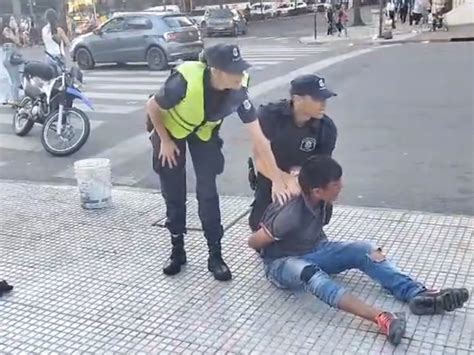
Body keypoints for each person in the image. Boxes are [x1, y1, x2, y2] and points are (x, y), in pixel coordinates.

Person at [248, 156, 470, 346]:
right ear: (317, 190)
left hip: (314, 248)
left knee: (366, 249)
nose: (342, 185)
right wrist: (273, 249)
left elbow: (300, 173)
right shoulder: (289, 215)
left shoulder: (320, 197)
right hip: (282, 263)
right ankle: (382, 318)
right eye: (336, 183)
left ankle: (416, 293)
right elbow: (254, 242)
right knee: (310, 273)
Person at [146, 44, 291, 282]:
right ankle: (177, 250)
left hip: (203, 134)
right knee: (173, 192)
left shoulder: (238, 91)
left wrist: (277, 179)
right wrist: (164, 140)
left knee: (208, 193)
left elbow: (260, 138)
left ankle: (215, 255)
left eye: (240, 69)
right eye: (233, 70)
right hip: (171, 132)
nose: (239, 75)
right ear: (215, 70)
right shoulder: (184, 80)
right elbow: (152, 105)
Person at [248, 74, 337, 232]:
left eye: (325, 99)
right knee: (260, 224)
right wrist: (283, 179)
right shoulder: (270, 116)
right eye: (317, 99)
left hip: (305, 181)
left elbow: (322, 168)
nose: (323, 104)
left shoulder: (326, 128)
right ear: (297, 99)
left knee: (313, 221)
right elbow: (259, 158)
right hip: (270, 177)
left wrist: (299, 181)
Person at [1, 17, 23, 105]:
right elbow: (16, 41)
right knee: (16, 81)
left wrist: (16, 31)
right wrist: (16, 30)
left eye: (14, 20)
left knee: (13, 80)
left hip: (8, 59)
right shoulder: (7, 30)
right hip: (11, 60)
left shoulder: (10, 31)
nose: (14, 22)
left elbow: (18, 43)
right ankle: (15, 100)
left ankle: (14, 97)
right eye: (12, 20)